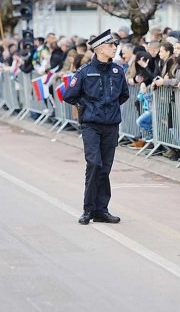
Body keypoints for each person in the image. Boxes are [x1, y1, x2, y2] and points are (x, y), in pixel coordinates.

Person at [63, 29, 129, 225]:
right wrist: (89, 106)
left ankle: (102, 210)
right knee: (94, 164)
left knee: (105, 168)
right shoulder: (85, 71)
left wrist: (110, 108)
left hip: (111, 125)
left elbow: (123, 95)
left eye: (115, 45)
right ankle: (88, 209)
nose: (115, 48)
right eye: (111, 45)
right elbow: (69, 95)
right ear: (100, 49)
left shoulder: (118, 71)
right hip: (92, 125)